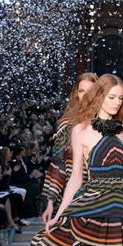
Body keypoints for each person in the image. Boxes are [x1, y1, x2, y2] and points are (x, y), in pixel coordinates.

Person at [13, 74, 123, 246]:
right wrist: (59, 214)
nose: (117, 102)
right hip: (91, 204)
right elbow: (75, 178)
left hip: (119, 211)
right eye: (112, 97)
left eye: (120, 98)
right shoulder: (80, 129)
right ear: (99, 96)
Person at [41, 72, 98, 224]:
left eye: (90, 91)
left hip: (102, 194)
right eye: (81, 91)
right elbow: (58, 163)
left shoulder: (109, 123)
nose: (86, 95)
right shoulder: (66, 125)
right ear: (76, 94)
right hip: (72, 194)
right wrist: (51, 200)